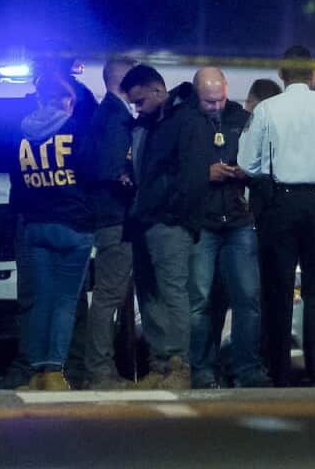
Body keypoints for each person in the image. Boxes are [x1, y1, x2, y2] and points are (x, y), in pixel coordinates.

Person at [237, 46, 315, 387]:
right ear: (314, 73)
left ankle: (278, 371)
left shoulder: (267, 109)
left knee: (277, 290)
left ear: (281, 73)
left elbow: (248, 164)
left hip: (280, 203)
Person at [178, 67, 270, 389]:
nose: (216, 106)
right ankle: (201, 369)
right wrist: (206, 173)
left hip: (238, 221)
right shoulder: (183, 121)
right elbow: (173, 170)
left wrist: (247, 171)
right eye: (208, 101)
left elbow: (263, 160)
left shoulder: (242, 119)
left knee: (247, 298)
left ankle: (246, 369)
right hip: (202, 224)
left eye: (220, 99)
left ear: (227, 91)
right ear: (196, 95)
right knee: (200, 301)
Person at [10, 75, 95, 390]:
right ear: (67, 101)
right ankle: (55, 372)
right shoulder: (76, 131)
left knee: (41, 301)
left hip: (35, 225)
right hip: (73, 226)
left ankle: (36, 372)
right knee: (64, 302)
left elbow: (16, 184)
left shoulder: (20, 134)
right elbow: (91, 173)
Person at [122, 64, 195, 390]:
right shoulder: (145, 126)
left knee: (172, 293)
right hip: (143, 221)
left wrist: (172, 212)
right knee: (149, 294)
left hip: (167, 222)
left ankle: (179, 365)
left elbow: (190, 173)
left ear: (157, 90)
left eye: (139, 101)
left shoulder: (182, 120)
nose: (136, 108)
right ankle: (160, 364)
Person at [81, 55, 138, 390]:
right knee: (108, 296)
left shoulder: (104, 114)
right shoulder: (116, 118)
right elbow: (113, 169)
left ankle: (103, 367)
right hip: (116, 217)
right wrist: (129, 177)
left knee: (109, 295)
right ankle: (100, 369)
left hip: (107, 218)